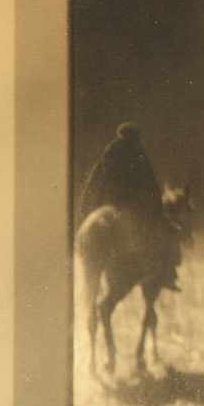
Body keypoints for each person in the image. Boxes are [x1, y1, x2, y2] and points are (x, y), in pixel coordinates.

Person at [80, 122, 180, 292]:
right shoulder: (137, 152)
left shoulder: (108, 153)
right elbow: (150, 182)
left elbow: (93, 181)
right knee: (163, 233)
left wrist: (86, 209)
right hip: (128, 205)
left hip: (104, 203)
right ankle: (167, 275)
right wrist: (156, 207)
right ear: (135, 137)